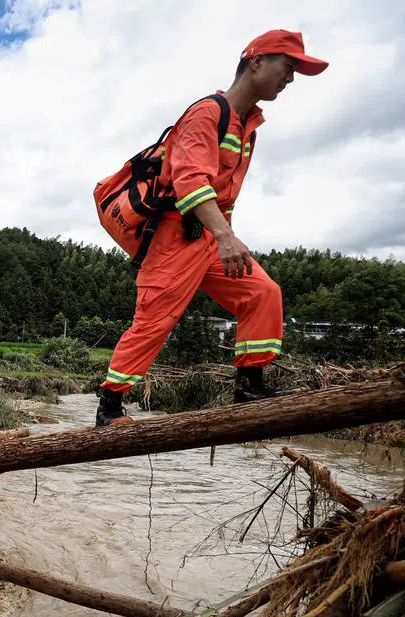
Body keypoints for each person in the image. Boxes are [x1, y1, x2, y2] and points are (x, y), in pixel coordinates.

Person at [96, 30, 328, 427]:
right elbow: (189, 181)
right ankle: (111, 405)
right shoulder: (208, 113)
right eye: (288, 67)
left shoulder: (247, 125)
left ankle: (249, 385)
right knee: (154, 321)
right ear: (256, 62)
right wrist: (225, 236)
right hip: (176, 236)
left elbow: (225, 195)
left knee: (263, 293)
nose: (290, 78)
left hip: (211, 238)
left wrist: (224, 236)